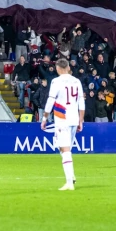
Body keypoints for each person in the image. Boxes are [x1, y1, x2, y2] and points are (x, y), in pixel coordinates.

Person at [40, 58, 84, 191]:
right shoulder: (77, 81)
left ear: (58, 68)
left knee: (65, 151)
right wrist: (81, 120)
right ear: (68, 68)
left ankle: (69, 182)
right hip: (74, 119)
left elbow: (50, 100)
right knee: (63, 148)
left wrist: (44, 118)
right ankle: (72, 175)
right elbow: (81, 102)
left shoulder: (56, 81)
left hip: (62, 119)